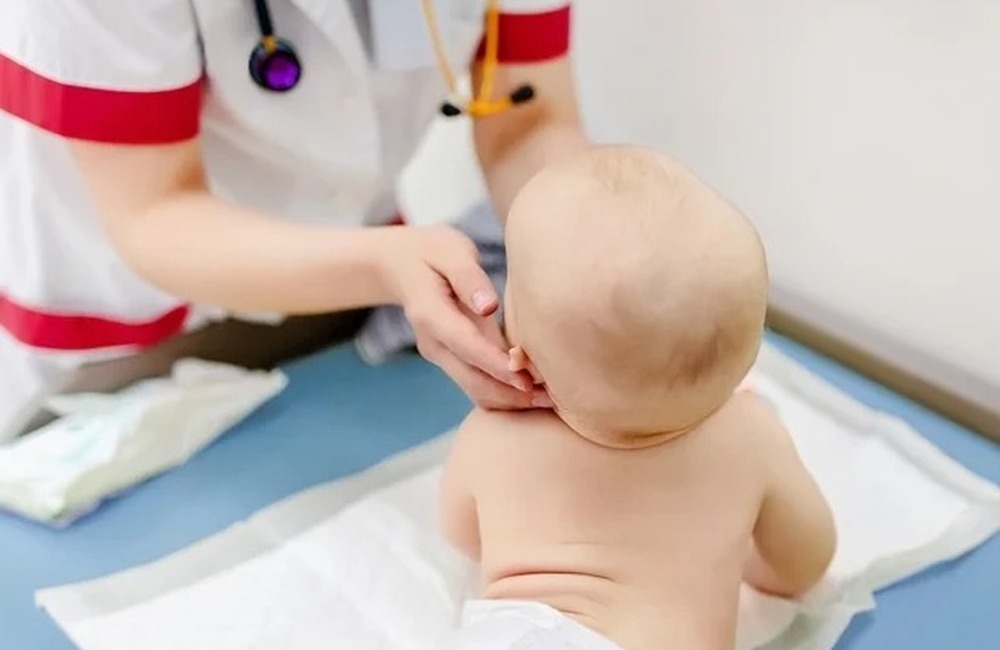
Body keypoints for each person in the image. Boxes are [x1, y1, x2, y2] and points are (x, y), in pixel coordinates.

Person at [0, 0, 587, 440]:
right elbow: (155, 211)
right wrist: (386, 266)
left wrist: (584, 262)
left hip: (356, 279)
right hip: (129, 323)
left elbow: (527, 117)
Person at [439, 146, 837, 649]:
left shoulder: (495, 429)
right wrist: (730, 554)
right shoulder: (751, 435)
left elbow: (462, 534)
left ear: (525, 359)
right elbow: (803, 564)